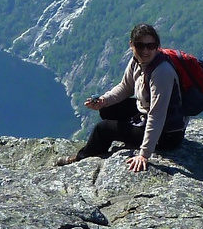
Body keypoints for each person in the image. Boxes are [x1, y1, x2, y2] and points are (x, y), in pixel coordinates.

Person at [57, 23, 186, 171]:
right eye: (140, 45)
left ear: (157, 45)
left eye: (151, 46)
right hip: (146, 112)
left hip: (167, 134)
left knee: (103, 129)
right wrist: (104, 100)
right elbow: (126, 87)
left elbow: (157, 116)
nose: (145, 51)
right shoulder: (137, 62)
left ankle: (80, 158)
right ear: (131, 45)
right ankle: (126, 134)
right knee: (107, 110)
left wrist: (144, 154)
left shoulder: (162, 72)